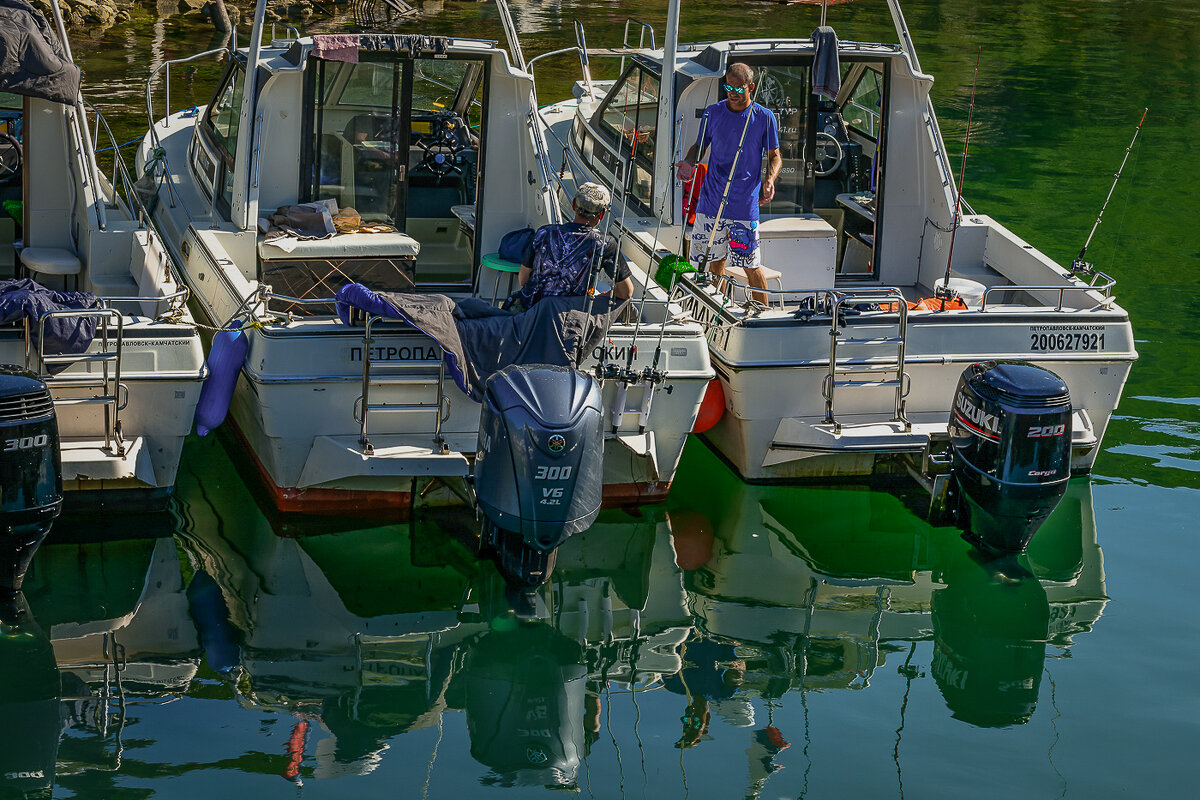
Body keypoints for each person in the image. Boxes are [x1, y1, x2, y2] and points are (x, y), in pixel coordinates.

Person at [676, 62, 782, 303]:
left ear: (750, 87)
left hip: (743, 206)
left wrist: (770, 180)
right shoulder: (712, 113)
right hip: (711, 203)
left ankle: (763, 314)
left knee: (750, 265)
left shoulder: (764, 118)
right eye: (728, 87)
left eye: (738, 88)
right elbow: (700, 146)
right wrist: (690, 162)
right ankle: (717, 310)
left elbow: (775, 156)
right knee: (715, 263)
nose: (732, 93)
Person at [515, 182, 634, 308]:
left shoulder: (544, 232)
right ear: (602, 214)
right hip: (568, 315)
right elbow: (626, 292)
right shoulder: (604, 243)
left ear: (573, 205)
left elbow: (523, 280)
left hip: (531, 310)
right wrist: (600, 297)